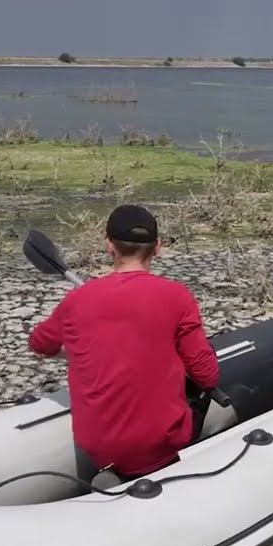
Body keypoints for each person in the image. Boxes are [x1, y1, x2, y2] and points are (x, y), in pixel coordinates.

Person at [28, 204, 220, 488]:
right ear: (157, 247)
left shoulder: (76, 302)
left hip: (97, 448)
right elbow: (207, 376)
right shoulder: (176, 296)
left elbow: (39, 343)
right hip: (160, 445)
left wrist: (75, 351)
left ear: (109, 245)